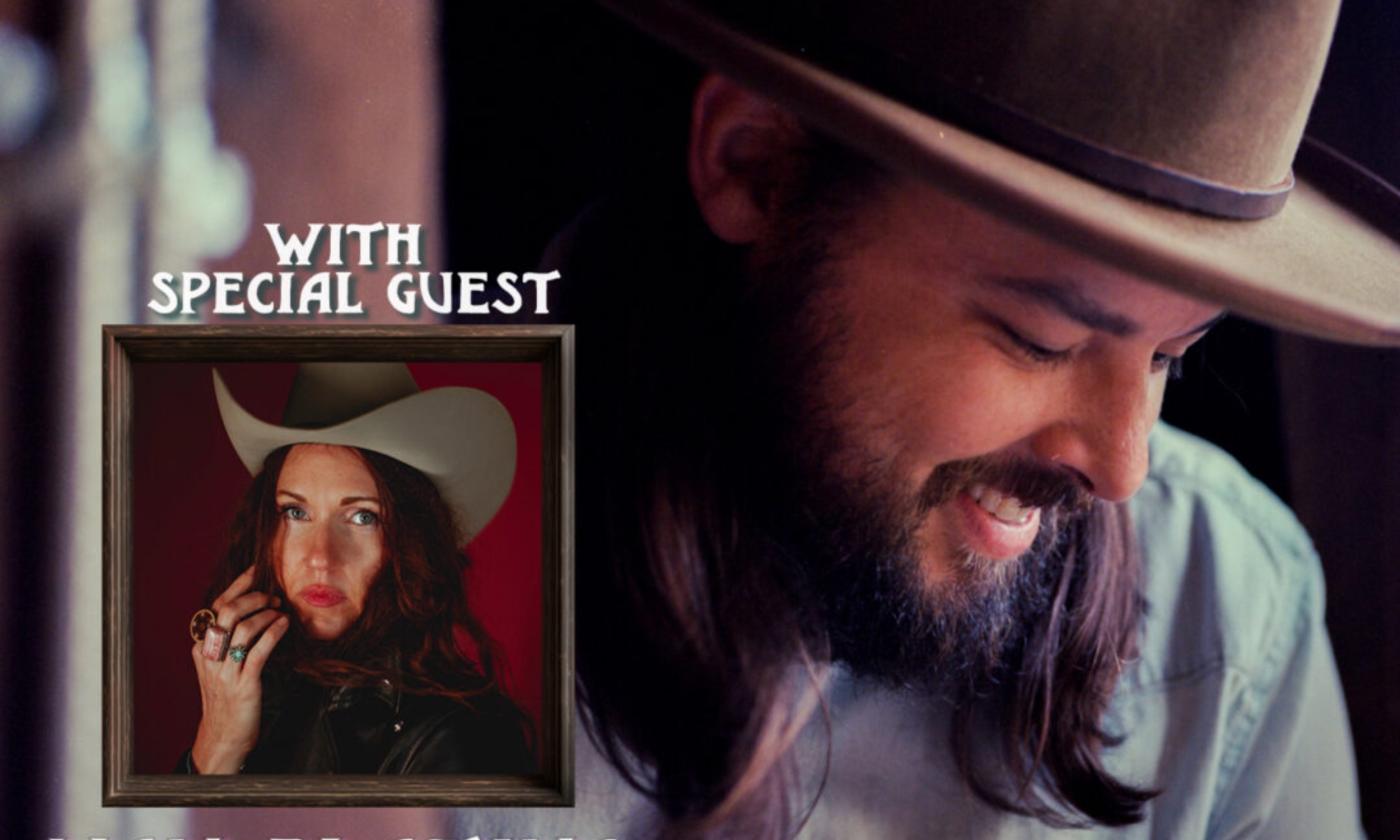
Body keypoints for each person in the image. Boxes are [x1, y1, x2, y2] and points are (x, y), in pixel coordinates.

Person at [465, 0, 1398, 837]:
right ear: (751, 167)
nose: (1123, 468)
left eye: (1168, 357)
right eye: (1042, 338)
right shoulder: (366, 543)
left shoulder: (1232, 608)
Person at [179, 362, 534, 775]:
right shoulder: (262, 694)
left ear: (410, 541)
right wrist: (216, 748)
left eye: (363, 517)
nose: (320, 557)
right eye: (295, 511)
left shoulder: (456, 739)